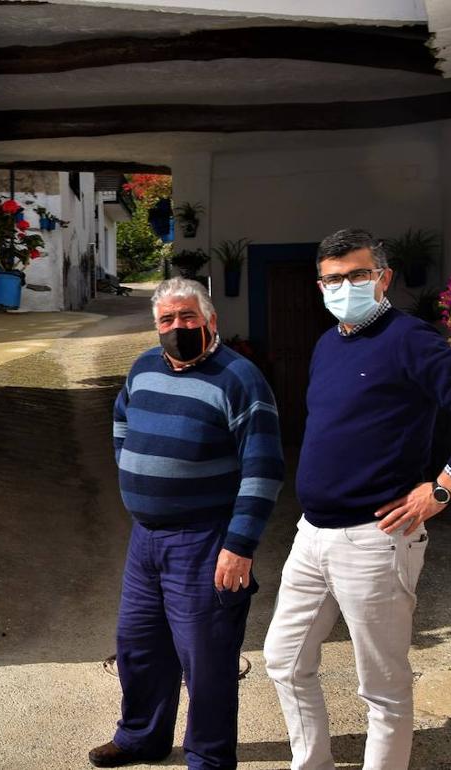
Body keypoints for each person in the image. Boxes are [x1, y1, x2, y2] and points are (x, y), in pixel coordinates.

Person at [264, 228, 451, 770]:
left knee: (382, 688)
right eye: (332, 279)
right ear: (319, 284)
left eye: (357, 275)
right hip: (312, 535)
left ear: (384, 279)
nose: (343, 286)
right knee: (283, 661)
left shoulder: (412, 340)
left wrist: (443, 487)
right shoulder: (328, 343)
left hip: (377, 540)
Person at [91, 277, 285, 769]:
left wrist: (239, 545)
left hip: (205, 540)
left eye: (188, 317)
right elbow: (121, 423)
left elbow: (263, 469)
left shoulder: (240, 379)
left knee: (207, 660)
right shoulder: (143, 367)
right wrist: (140, 471)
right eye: (167, 320)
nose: (177, 327)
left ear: (210, 321)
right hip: (146, 540)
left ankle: (209, 757)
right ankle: (141, 738)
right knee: (139, 647)